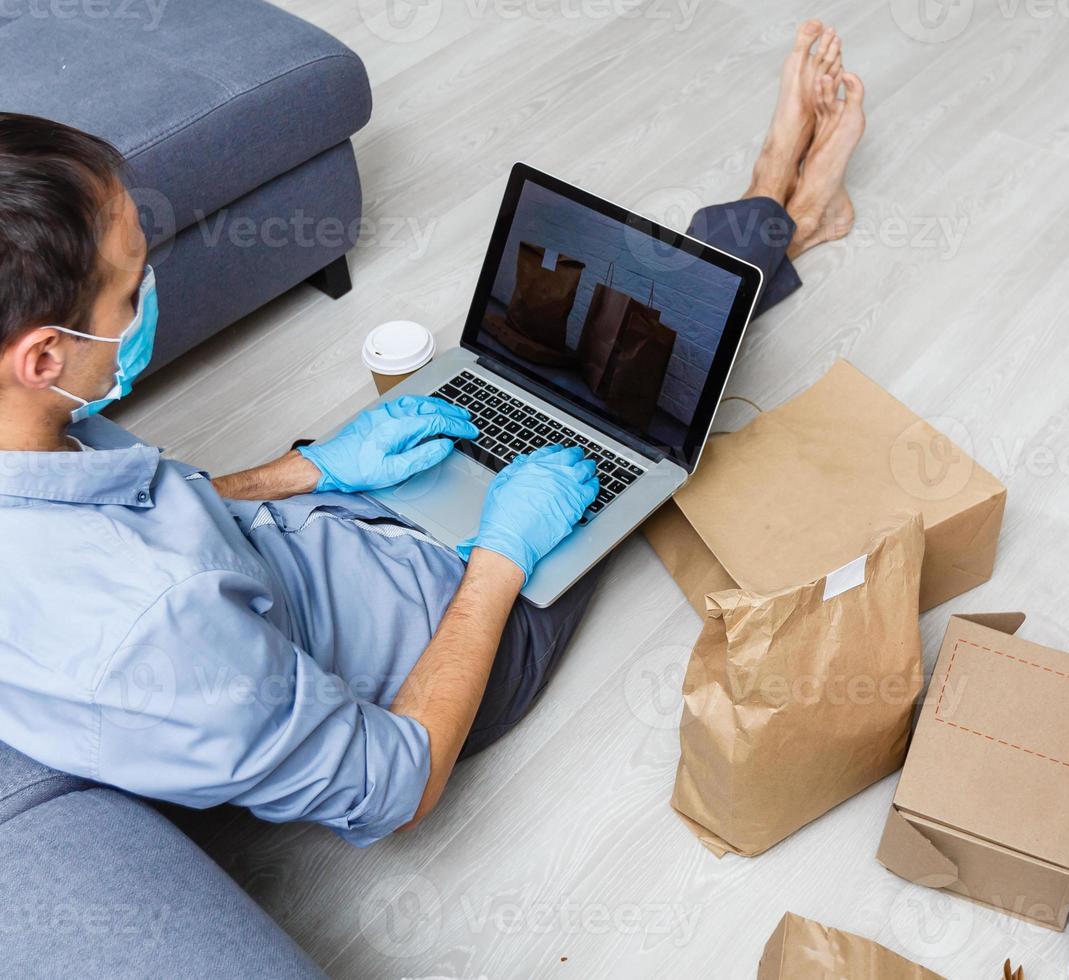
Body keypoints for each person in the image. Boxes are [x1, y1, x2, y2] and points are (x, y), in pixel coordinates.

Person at [0, 21, 865, 847]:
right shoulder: (157, 640)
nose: (150, 291)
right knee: (639, 403)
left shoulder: (34, 438)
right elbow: (398, 783)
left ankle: (781, 214)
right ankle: (777, 194)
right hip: (454, 634)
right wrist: (503, 554)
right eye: (131, 288)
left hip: (316, 531)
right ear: (42, 356)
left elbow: (155, 521)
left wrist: (302, 471)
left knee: (552, 379)